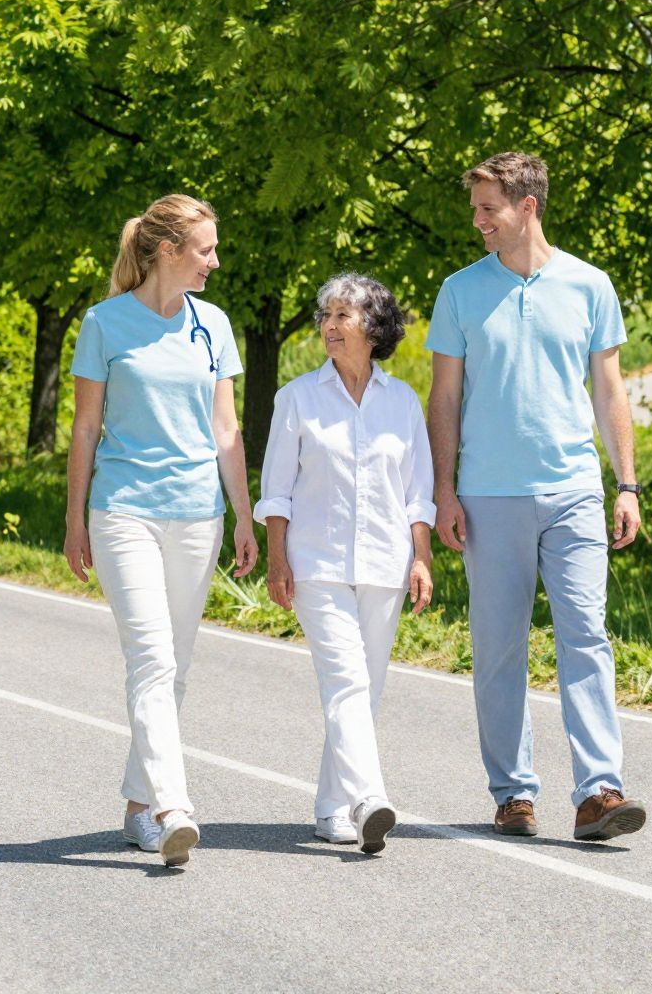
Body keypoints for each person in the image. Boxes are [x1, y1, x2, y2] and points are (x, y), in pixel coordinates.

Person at [426, 151, 647, 842]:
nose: (478, 221)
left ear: (527, 207)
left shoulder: (589, 285)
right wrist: (443, 489)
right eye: (476, 209)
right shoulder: (460, 291)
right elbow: (445, 397)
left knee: (586, 636)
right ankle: (514, 792)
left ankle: (598, 792)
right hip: (489, 493)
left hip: (575, 489)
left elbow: (610, 390)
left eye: (488, 208)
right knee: (499, 648)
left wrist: (627, 482)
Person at [65, 193, 258, 867]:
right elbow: (86, 426)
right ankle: (175, 807)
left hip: (198, 513)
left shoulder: (215, 325)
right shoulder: (104, 323)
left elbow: (226, 430)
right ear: (168, 251)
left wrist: (243, 514)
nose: (215, 260)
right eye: (206, 248)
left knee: (174, 668)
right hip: (124, 512)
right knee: (151, 658)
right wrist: (73, 517)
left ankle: (137, 805)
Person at [255, 273, 433, 854]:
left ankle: (332, 807)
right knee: (346, 681)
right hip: (318, 562)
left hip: (386, 560)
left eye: (343, 315)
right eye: (325, 315)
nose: (330, 326)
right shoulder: (297, 398)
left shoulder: (403, 401)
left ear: (374, 327)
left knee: (364, 690)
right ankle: (369, 799)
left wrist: (422, 555)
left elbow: (417, 491)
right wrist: (277, 560)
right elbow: (276, 489)